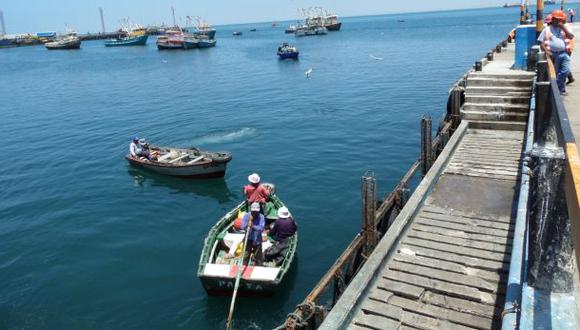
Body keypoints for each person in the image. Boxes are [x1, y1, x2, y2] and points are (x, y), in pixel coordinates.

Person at [538, 10, 575, 95]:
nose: (558, 21)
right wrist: (547, 51)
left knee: (565, 71)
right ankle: (561, 90)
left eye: (559, 20)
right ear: (553, 19)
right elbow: (541, 43)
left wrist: (563, 28)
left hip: (564, 53)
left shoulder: (565, 27)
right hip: (553, 55)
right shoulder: (547, 29)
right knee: (556, 72)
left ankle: (556, 87)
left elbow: (571, 37)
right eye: (556, 19)